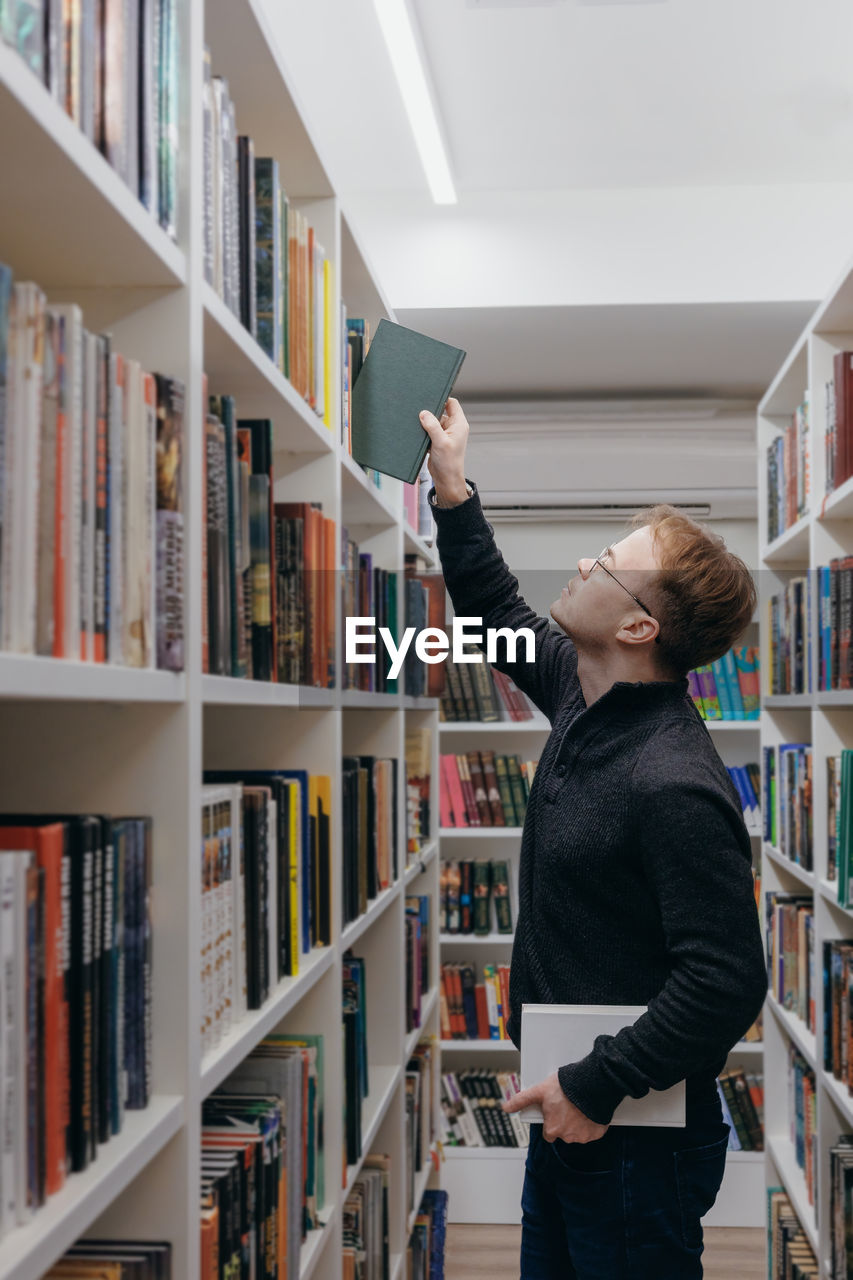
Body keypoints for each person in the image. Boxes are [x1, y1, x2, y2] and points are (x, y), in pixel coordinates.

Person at [419, 397, 768, 1280]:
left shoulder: (672, 780)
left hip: (630, 1137)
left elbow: (726, 981)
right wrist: (454, 492)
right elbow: (495, 607)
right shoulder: (587, 697)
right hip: (575, 1109)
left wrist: (595, 1082)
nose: (581, 562)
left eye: (605, 564)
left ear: (638, 628)